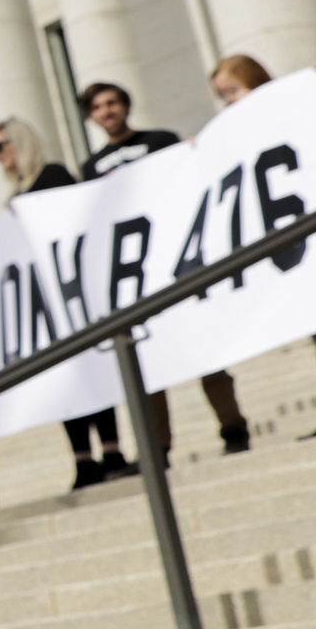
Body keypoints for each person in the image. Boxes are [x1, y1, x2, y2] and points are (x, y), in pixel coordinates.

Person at [81, 81, 251, 455]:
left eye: (112, 103)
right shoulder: (91, 168)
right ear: (91, 116)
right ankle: (158, 448)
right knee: (150, 364)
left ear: (125, 105)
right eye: (98, 107)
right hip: (135, 277)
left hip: (179, 263)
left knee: (205, 349)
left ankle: (233, 427)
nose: (107, 111)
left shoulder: (161, 140)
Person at [0, 118, 132, 490]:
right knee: (66, 376)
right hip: (46, 300)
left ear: (20, 144)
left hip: (73, 292)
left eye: (0, 145)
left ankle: (112, 450)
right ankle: (83, 458)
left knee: (92, 368)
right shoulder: (15, 193)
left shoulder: (52, 176)